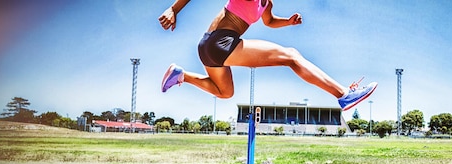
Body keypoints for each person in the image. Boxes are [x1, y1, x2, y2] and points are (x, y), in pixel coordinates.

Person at [158, 0, 377, 111]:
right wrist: (174, 10)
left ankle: (181, 75)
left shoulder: (266, 3)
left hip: (210, 48)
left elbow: (269, 21)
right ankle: (343, 94)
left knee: (225, 92)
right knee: (290, 56)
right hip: (220, 41)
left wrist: (288, 22)